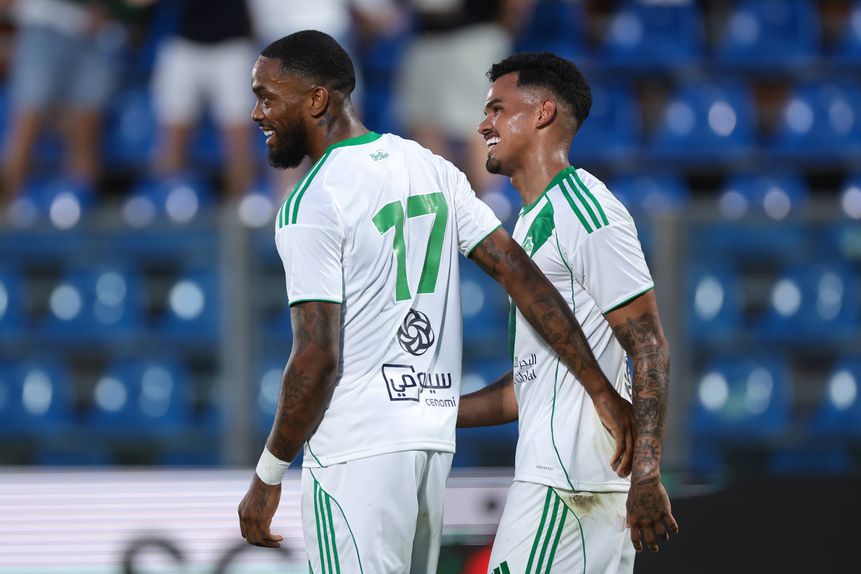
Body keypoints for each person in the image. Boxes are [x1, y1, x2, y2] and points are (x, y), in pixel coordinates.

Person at [237, 31, 634, 573]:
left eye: (266, 97)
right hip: (429, 447)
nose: (257, 113)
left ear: (316, 99)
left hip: (356, 448)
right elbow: (522, 275)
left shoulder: (312, 202)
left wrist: (268, 474)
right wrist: (601, 390)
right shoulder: (427, 166)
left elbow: (316, 357)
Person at [460, 52, 679, 572]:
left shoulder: (586, 211)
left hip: (570, 484)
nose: (484, 125)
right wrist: (427, 411)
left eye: (497, 109)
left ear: (543, 113)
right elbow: (531, 384)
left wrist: (647, 473)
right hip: (566, 481)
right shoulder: (533, 219)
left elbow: (649, 344)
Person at [150, 0, 256, 198]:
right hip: (184, 43)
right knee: (173, 133)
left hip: (234, 45)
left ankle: (242, 204)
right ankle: (167, 201)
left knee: (239, 138)